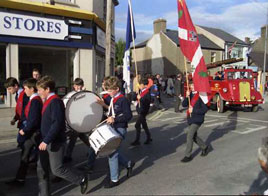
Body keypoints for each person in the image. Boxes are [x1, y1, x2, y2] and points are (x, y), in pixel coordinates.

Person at [36, 76, 88, 195]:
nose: (38, 92)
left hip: (54, 142)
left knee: (57, 169)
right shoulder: (49, 100)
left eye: (40, 90)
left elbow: (57, 123)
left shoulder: (55, 102)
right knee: (41, 168)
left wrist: (46, 140)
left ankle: (81, 179)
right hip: (45, 141)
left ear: (47, 89)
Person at [5, 78, 42, 186]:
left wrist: (24, 129)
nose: (24, 90)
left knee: (47, 160)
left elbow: (33, 119)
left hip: (35, 133)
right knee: (25, 155)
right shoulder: (32, 99)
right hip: (31, 133)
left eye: (25, 88)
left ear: (31, 89)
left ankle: (57, 174)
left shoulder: (35, 100)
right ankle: (20, 179)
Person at [103, 76, 135, 188]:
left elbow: (129, 116)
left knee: (112, 153)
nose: (108, 92)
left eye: (110, 90)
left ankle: (115, 179)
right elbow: (106, 101)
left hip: (120, 128)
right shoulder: (113, 98)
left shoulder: (123, 100)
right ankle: (128, 164)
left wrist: (115, 119)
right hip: (113, 128)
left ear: (117, 89)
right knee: (112, 152)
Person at [181, 81, 210, 163]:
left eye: (193, 85)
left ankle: (188, 155)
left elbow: (205, 109)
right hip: (191, 118)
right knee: (193, 136)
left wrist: (194, 110)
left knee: (189, 135)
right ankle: (204, 147)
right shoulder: (189, 94)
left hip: (198, 119)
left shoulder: (201, 96)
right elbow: (184, 105)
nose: (192, 87)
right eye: (191, 86)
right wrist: (186, 97)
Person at [64, 78, 91, 163]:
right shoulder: (70, 95)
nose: (78, 87)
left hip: (80, 121)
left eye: (79, 85)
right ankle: (93, 149)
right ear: (74, 86)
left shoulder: (84, 94)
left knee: (76, 136)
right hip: (73, 121)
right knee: (79, 136)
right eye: (76, 86)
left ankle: (68, 155)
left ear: (82, 86)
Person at [4, 77, 29, 146]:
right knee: (22, 141)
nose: (9, 91)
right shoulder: (17, 96)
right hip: (22, 120)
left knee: (22, 141)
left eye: (10, 89)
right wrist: (15, 119)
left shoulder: (25, 94)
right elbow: (19, 109)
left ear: (15, 86)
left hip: (26, 120)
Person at [131, 77, 152, 146]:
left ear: (145, 85)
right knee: (144, 125)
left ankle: (137, 140)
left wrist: (141, 98)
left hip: (143, 111)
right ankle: (149, 137)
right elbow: (134, 98)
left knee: (137, 125)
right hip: (139, 110)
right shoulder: (141, 91)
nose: (139, 85)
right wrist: (135, 92)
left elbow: (147, 102)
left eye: (140, 84)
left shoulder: (147, 92)